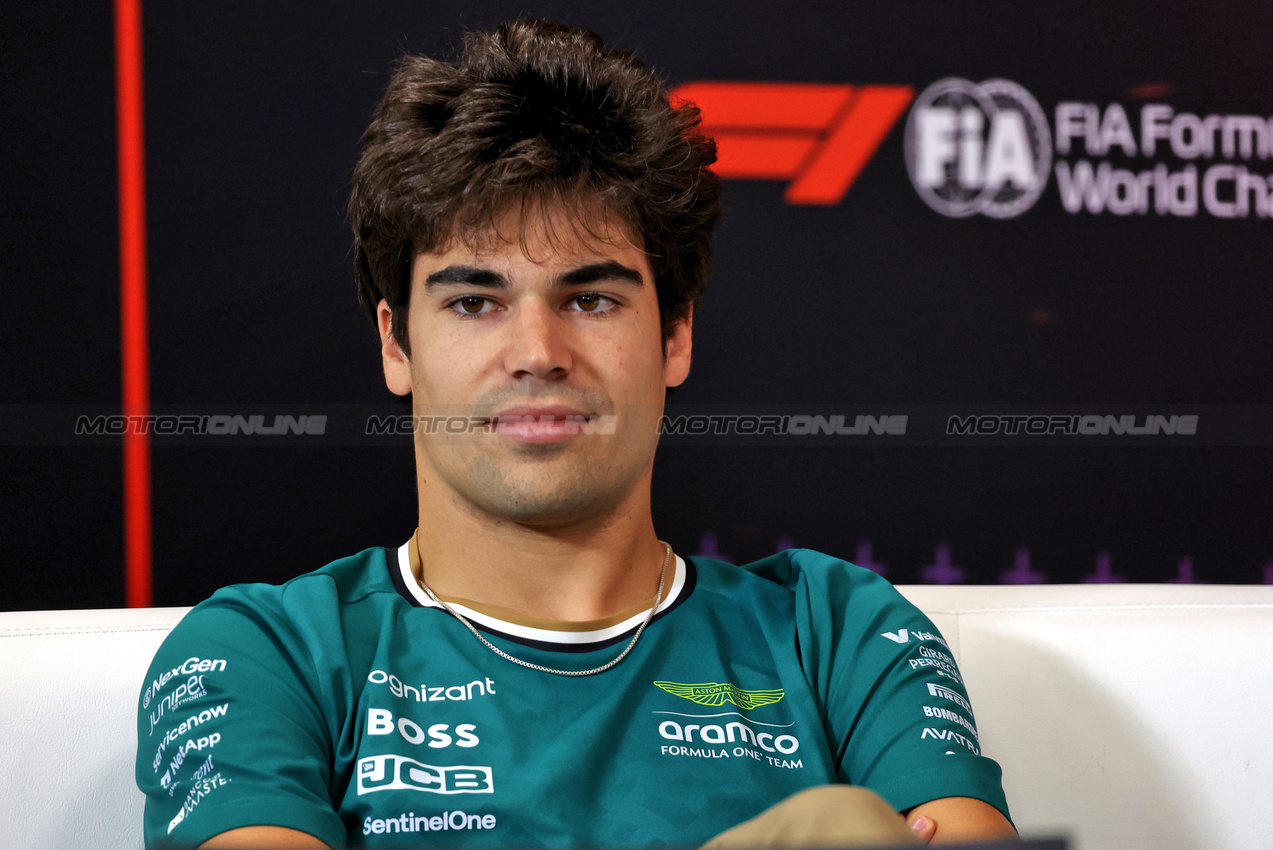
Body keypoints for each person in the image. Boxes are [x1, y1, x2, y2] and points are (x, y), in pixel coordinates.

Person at [136, 18, 1016, 849]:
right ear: (395, 343)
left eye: (590, 299)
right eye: (473, 302)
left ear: (675, 336)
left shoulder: (837, 633)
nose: (537, 352)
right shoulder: (267, 651)